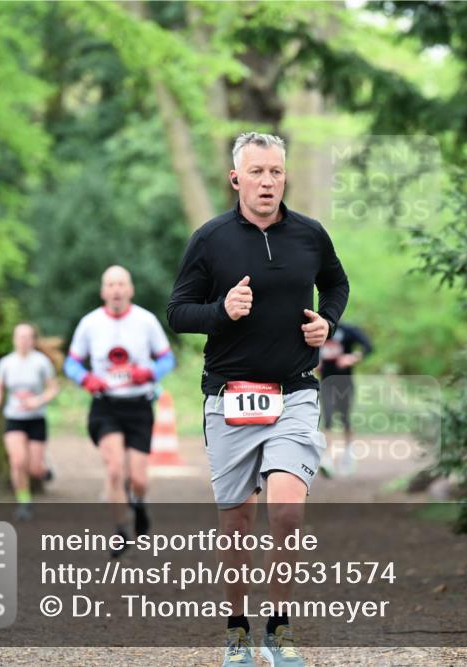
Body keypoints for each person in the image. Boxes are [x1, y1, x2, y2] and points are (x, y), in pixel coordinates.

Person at [167, 132, 349, 667]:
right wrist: (222, 309)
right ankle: (237, 630)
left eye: (275, 171)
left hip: (293, 392)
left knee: (287, 510)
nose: (268, 181)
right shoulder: (211, 239)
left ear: (284, 176)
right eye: (257, 172)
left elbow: (336, 285)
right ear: (236, 179)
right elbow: (178, 312)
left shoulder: (310, 236)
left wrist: (327, 322)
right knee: (238, 519)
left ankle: (280, 629)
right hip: (229, 397)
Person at [64, 265, 176, 557]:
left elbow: (167, 360)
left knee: (138, 479)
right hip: (105, 406)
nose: (116, 289)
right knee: (114, 469)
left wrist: (148, 373)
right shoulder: (90, 324)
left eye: (121, 284)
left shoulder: (146, 321)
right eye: (110, 284)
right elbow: (71, 363)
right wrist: (86, 378)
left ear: (130, 289)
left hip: (139, 406)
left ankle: (139, 504)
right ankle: (120, 529)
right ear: (103, 291)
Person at [0, 322, 59, 521]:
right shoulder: (5, 363)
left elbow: (53, 388)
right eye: (20, 337)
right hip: (14, 418)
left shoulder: (41, 362)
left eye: (28, 337)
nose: (23, 341)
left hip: (36, 418)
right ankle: (24, 502)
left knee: (34, 468)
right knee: (18, 461)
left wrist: (38, 400)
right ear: (14, 339)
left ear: (33, 340)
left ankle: (45, 469)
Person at [317, 322, 373, 478]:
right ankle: (327, 459)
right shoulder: (318, 328)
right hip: (326, 382)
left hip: (345, 382)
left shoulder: (349, 330)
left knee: (344, 419)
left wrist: (353, 357)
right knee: (327, 419)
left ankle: (349, 455)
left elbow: (368, 347)